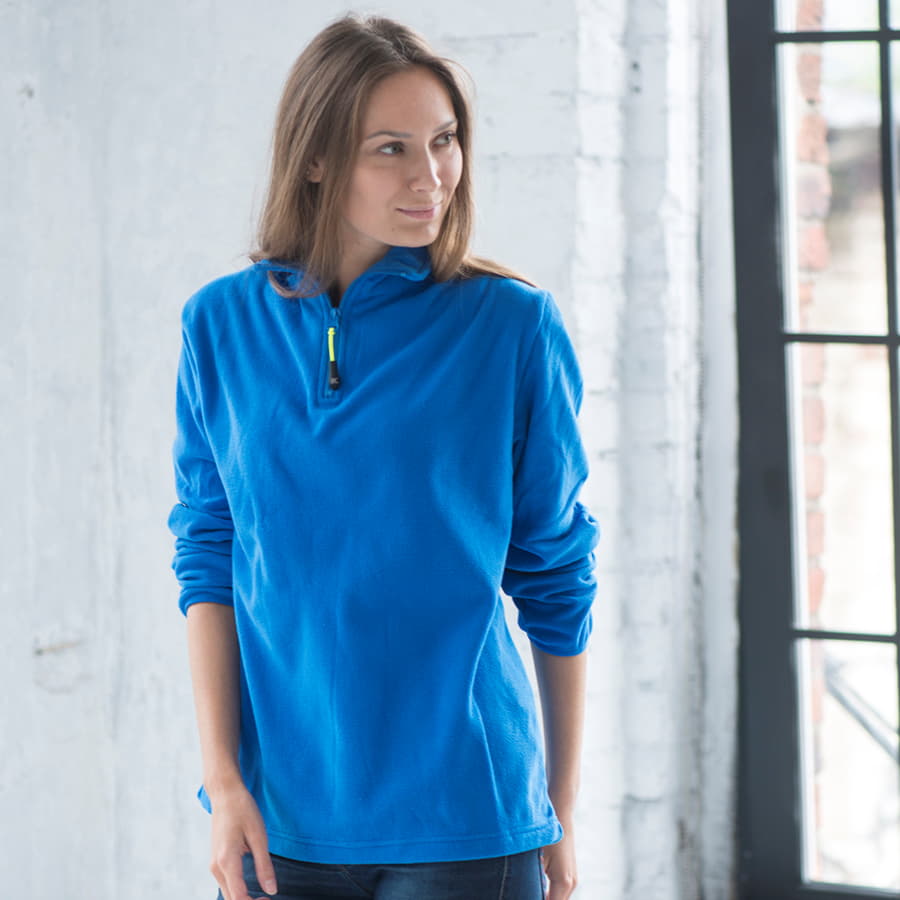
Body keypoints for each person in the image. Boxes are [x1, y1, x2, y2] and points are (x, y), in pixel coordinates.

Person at [167, 13, 598, 900]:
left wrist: (558, 805)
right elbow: (209, 555)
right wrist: (224, 783)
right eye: (390, 149)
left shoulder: (511, 327)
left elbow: (557, 574)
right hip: (277, 821)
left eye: (444, 141)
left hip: (470, 818)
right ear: (317, 160)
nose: (429, 175)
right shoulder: (219, 326)